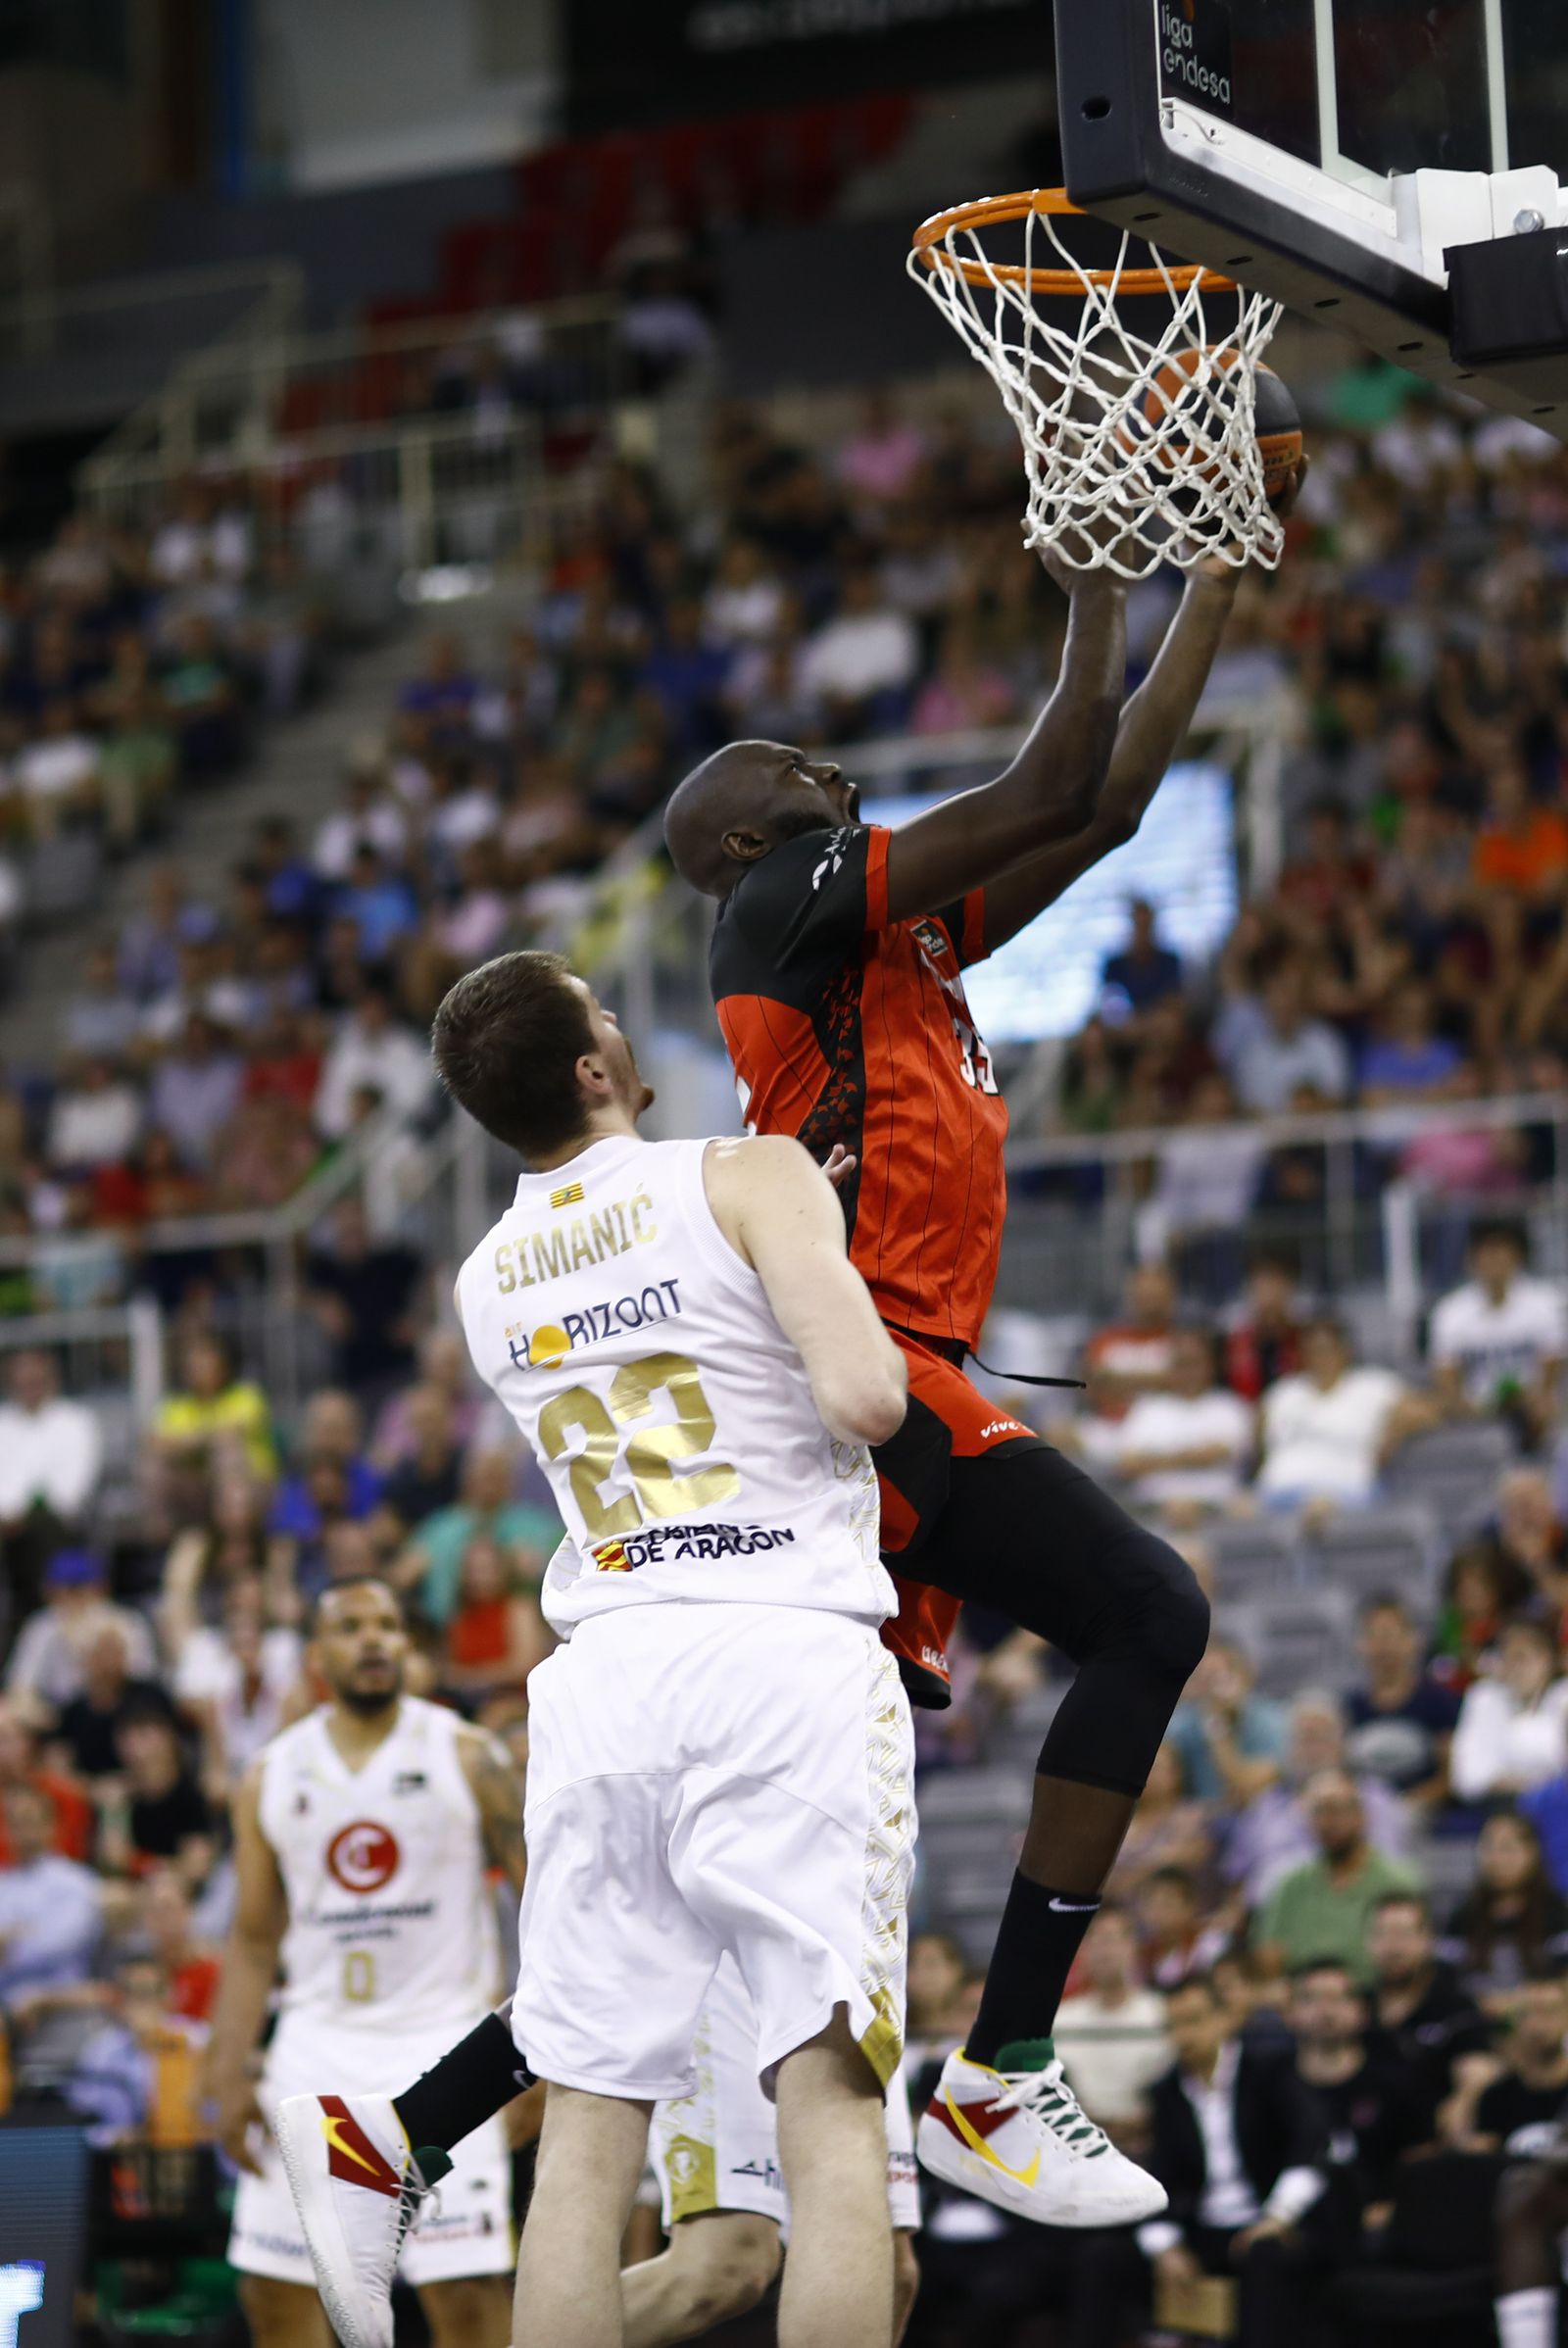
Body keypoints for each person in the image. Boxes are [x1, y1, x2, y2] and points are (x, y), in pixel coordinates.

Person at [278, 955, 935, 2348]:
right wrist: (803, 1225)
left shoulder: (482, 1278)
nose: (628, 1030)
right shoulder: (750, 1173)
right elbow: (866, 1398)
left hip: (606, 1673)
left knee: (587, 2120)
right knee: (827, 2103)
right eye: (606, 1014)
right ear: (593, 1069)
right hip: (778, 1652)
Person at [209, 1580, 525, 2348]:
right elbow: (254, 1939)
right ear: (318, 1657)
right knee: (278, 2298)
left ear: (409, 1649)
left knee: (470, 2297)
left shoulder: (467, 1753)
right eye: (351, 1626)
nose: (375, 1640)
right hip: (314, 2050)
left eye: (387, 1625)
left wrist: (528, 2057)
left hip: (446, 2048)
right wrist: (224, 2068)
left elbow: (542, 1903)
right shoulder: (271, 1775)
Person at [1067, 1972, 1328, 2348]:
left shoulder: (1269, 2070)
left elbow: (1312, 2144)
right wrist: (1166, 2246)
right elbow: (1160, 2176)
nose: (1183, 2035)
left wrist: (1277, 2217)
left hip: (1271, 2223)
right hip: (1204, 2228)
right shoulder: (1167, 2092)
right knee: (1101, 2257)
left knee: (1264, 2255)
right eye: (1173, 2025)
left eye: (1194, 2020)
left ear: (1224, 2019)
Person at [1287, 1959, 1427, 2243]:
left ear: (1361, 2011)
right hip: (1290, 2226)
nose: (1325, 2011)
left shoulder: (1393, 2083)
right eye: (1311, 1999)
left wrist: (1393, 2206)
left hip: (1377, 2227)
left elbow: (1420, 2156)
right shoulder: (1271, 2086)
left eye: (1338, 1998)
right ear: (1291, 2012)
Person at [1252, 1773, 1424, 1984]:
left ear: (1361, 1816)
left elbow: (1417, 1952)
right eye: (1318, 1812)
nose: (1328, 1822)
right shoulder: (1289, 1884)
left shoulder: (1400, 1880)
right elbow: (1269, 1955)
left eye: (1336, 1810)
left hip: (1379, 1999)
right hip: (1304, 2003)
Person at [1254, 1318, 1415, 1515]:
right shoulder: (1283, 1393)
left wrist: (1392, 1433)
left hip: (1347, 1492)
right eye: (1311, 1350)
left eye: (1325, 1349)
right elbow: (1259, 1444)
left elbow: (1427, 1410)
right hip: (1276, 1494)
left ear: (1345, 1350)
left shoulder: (1373, 1386)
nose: (1319, 1357)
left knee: (1319, 1510)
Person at [1430, 1218, 1567, 1448]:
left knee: (1543, 1410)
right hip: (1476, 1407)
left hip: (1533, 1405)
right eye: (1486, 1253)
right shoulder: (1451, 1311)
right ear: (1472, 1260)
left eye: (1500, 1252)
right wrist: (1467, 1407)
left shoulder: (1545, 1303)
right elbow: (1446, 1375)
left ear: (1517, 1257)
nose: (1493, 1261)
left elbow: (1552, 1370)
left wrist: (1534, 1399)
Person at [1366, 1891, 1492, 2138]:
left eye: (1403, 1934)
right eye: (1382, 1934)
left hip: (1429, 2139)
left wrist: (1463, 2102)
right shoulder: (1357, 2007)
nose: (1393, 1947)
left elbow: (1477, 2071)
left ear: (1427, 1939)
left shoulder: (1454, 2004)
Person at [1098, 1326, 1254, 1523]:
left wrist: (1155, 1460)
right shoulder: (1147, 1409)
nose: (1187, 1372)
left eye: (1194, 1364)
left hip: (1215, 1508)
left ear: (1210, 1366)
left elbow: (1223, 1452)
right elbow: (1128, 1464)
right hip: (1152, 1510)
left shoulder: (1228, 1407)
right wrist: (1194, 1456)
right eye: (1180, 1364)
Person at [1054, 1904, 1173, 2141]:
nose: (1104, 1951)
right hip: (1079, 2142)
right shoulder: (1061, 2020)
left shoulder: (1161, 2013)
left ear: (1133, 1947)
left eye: (1111, 1940)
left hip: (1153, 2139)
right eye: (1095, 1941)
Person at [1437, 1812, 1568, 2014]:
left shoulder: (1557, 1913)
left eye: (1507, 1848)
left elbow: (1562, 1984)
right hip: (1475, 2022)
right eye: (1488, 1847)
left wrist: (1513, 2003)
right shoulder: (1463, 1915)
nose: (1496, 1859)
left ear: (1532, 1852)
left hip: (1538, 2019)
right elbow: (1445, 1980)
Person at [1343, 1593, 1459, 1809]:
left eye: (1391, 1635)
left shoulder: (1438, 1701)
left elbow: (1450, 1775)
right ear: (1361, 1645)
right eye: (1374, 1636)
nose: (1384, 1646)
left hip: (1423, 1812)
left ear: (1412, 1641)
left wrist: (1407, 1803)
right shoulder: (1350, 1706)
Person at [0, 1783, 101, 2004]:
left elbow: (56, 1945)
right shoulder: (4, 1883)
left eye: (29, 1821)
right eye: (14, 1823)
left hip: (60, 2004)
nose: (21, 1830)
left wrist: (9, 1943)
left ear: (51, 1826)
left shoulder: (75, 1881)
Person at [1451, 1614, 1568, 1803]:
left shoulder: (1563, 1697)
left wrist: (1525, 1783)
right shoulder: (1484, 1697)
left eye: (1522, 1658)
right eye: (1507, 1657)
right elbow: (1465, 1778)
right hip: (1495, 1805)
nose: (1515, 1668)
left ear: (1548, 1660)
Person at [1467, 1968, 1568, 2157]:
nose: (1539, 2025)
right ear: (1514, 2021)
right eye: (1528, 2013)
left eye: (1550, 2012)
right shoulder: (1496, 2098)